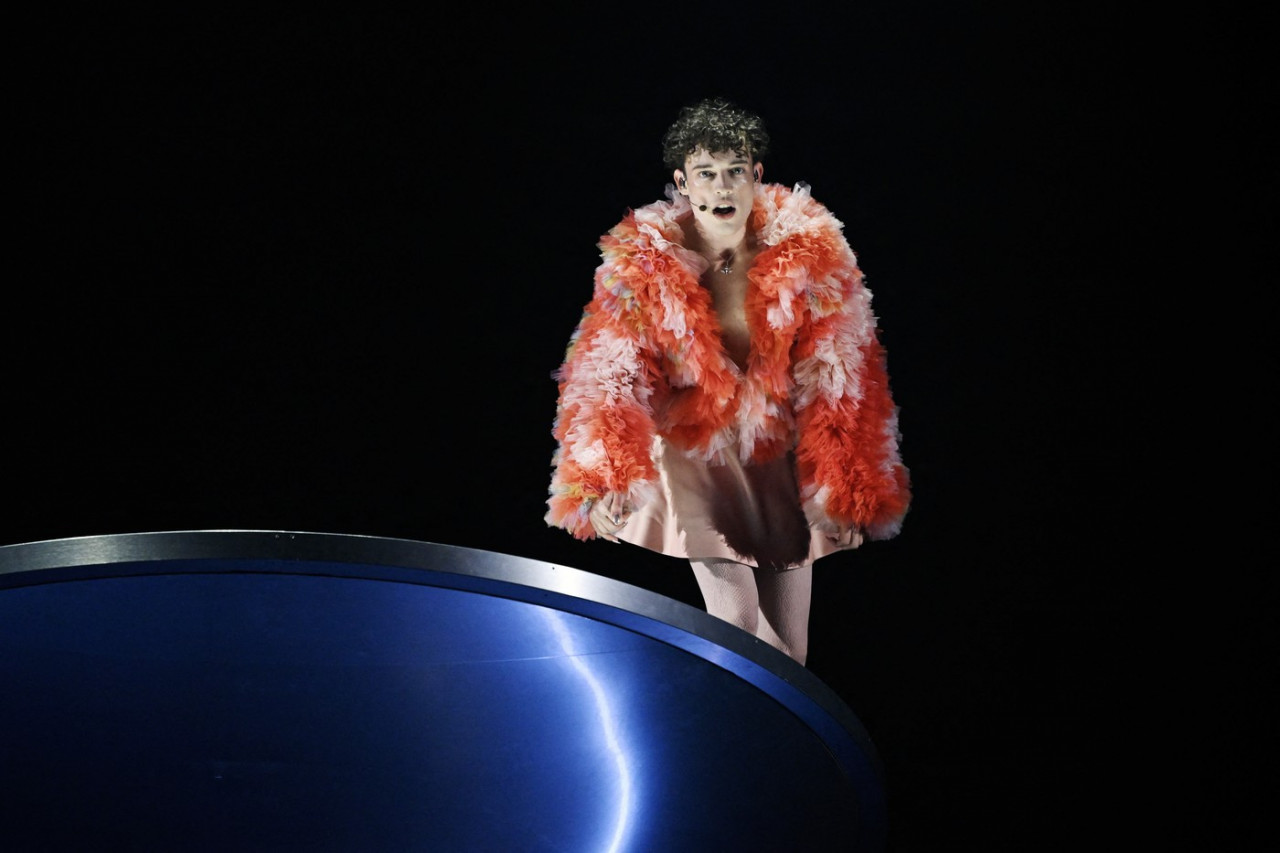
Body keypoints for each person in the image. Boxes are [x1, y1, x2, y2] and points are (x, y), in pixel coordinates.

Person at [545, 97, 910, 665]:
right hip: (696, 451)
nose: (722, 187)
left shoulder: (809, 250)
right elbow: (606, 369)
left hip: (776, 451)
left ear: (756, 175)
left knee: (789, 653)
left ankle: (757, 726)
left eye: (735, 171)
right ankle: (716, 718)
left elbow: (848, 366)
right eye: (706, 173)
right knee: (736, 622)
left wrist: (852, 482)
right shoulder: (644, 261)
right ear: (683, 183)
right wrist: (598, 477)